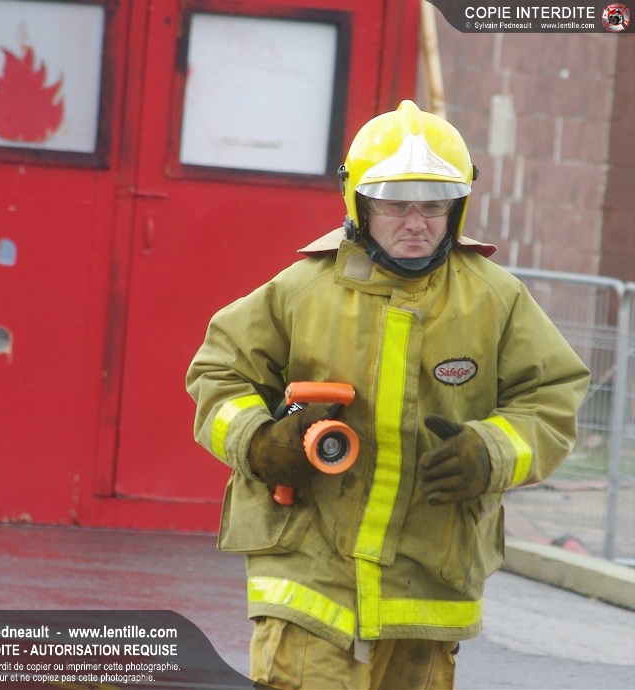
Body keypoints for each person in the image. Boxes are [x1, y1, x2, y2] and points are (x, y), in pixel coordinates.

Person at [186, 100, 590, 690]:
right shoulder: (304, 289)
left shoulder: (496, 300)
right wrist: (260, 441)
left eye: (433, 205)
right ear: (360, 204)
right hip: (309, 570)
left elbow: (551, 397)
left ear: (457, 208)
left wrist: (491, 453)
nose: (416, 222)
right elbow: (220, 372)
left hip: (428, 581)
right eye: (396, 205)